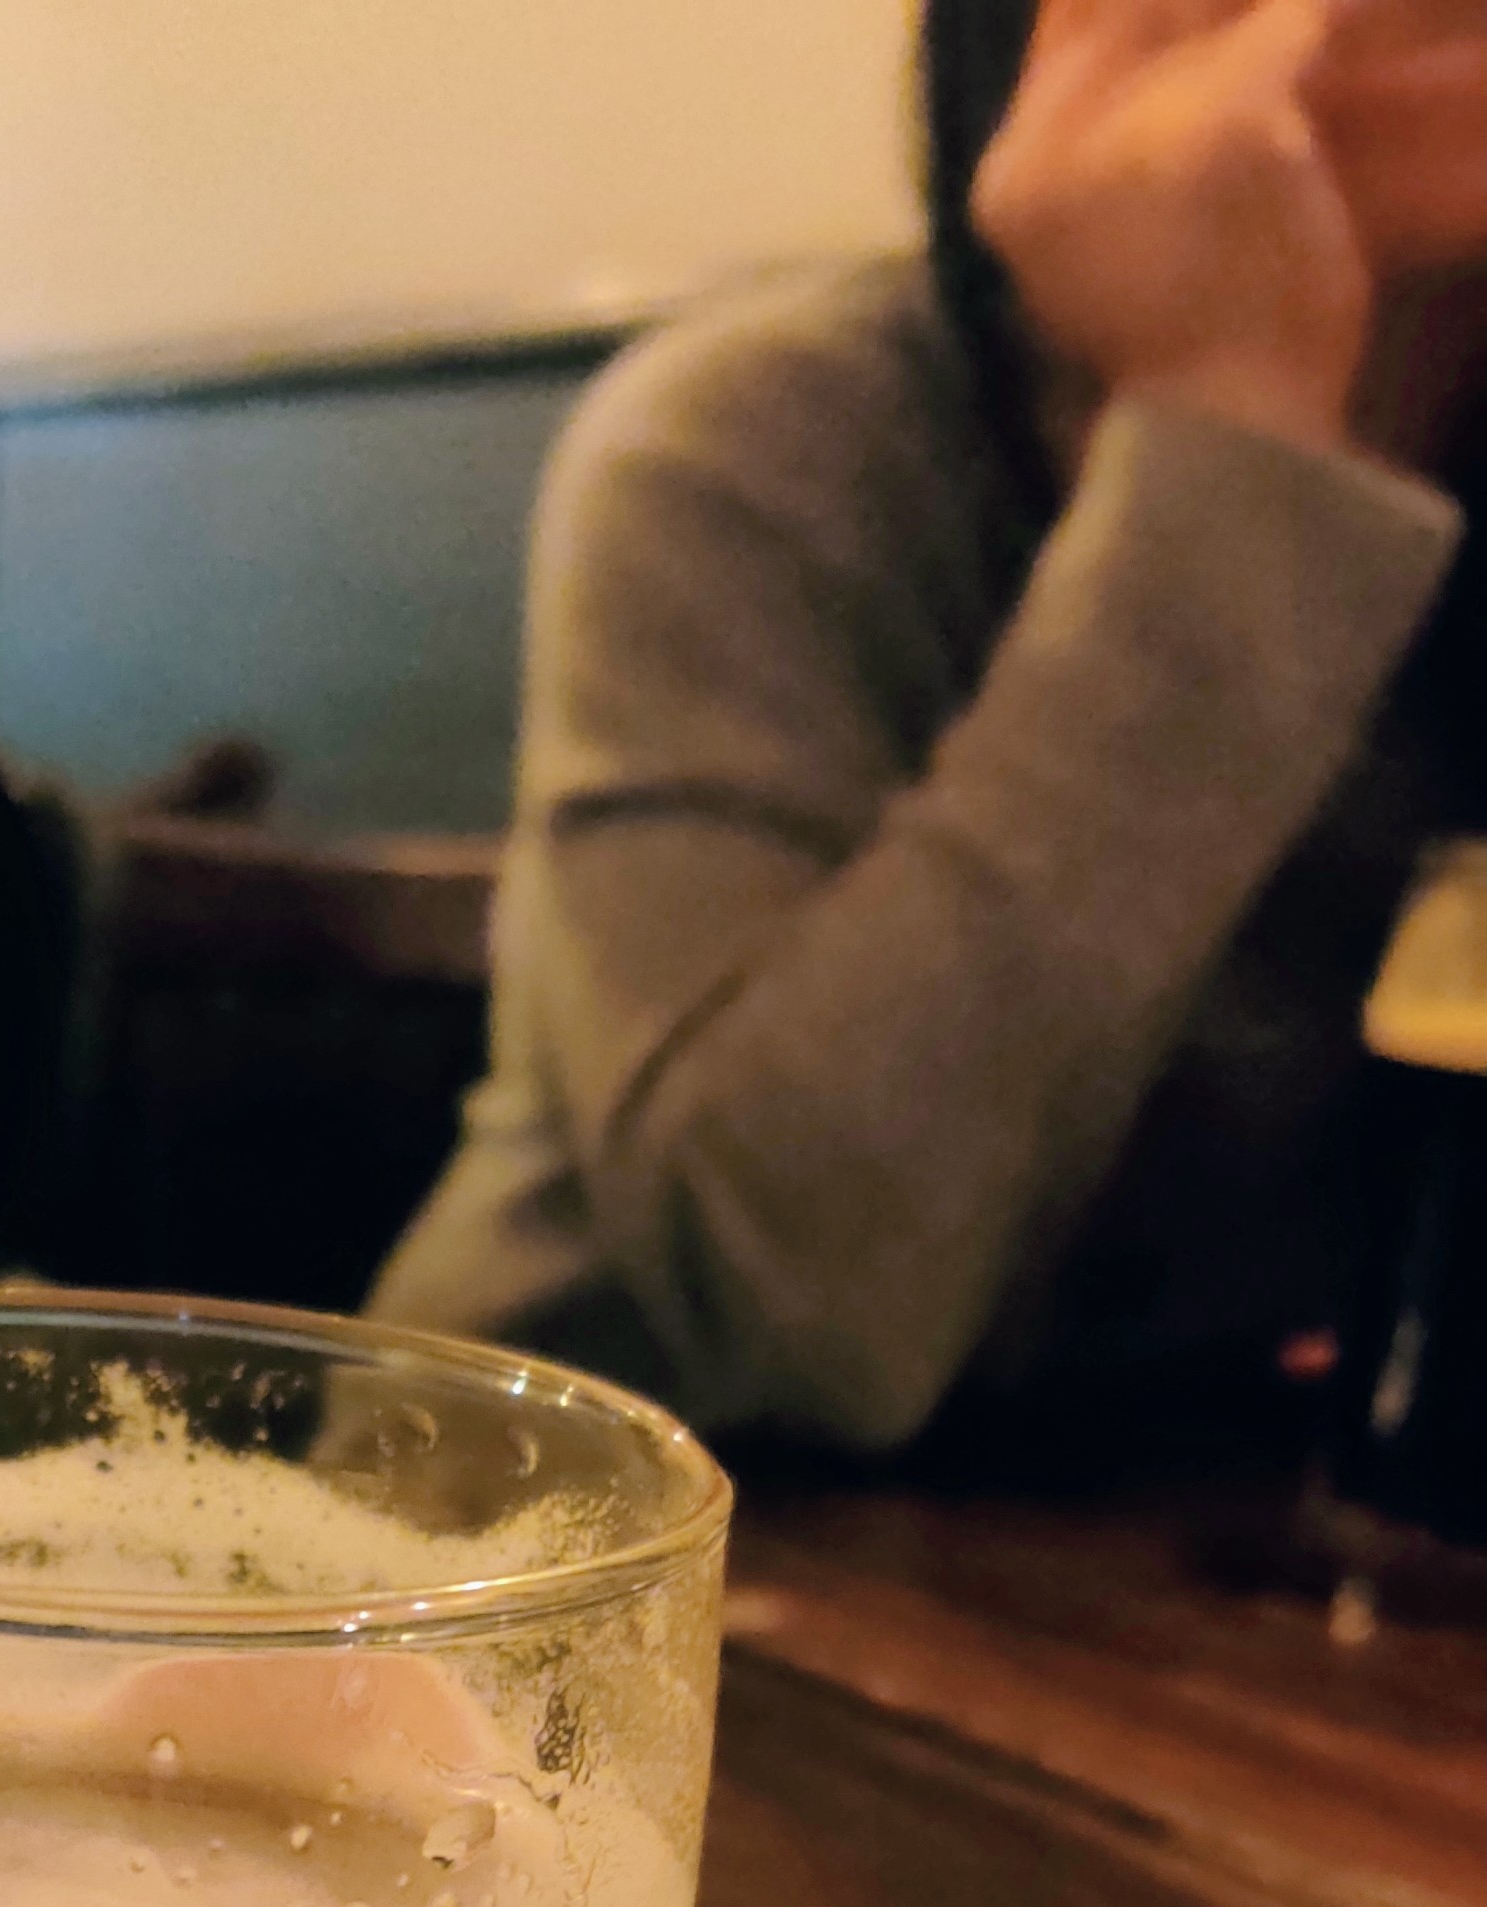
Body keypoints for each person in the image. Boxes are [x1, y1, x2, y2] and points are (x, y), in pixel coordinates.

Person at [370, 0, 1486, 1459]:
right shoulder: (772, 443)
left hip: (1195, 1593)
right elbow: (794, 1294)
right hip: (544, 1565)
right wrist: (1236, 423)